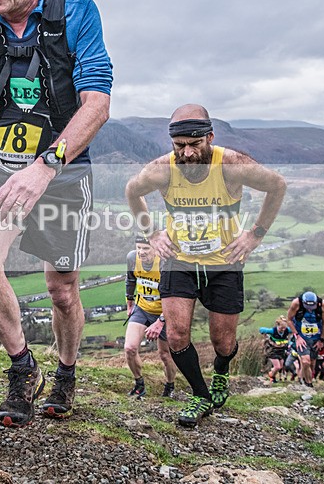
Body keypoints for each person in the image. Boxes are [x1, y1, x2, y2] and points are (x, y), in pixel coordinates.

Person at [0, 0, 112, 426]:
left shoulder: (77, 11)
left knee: (61, 291)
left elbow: (97, 103)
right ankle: (24, 368)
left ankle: (66, 372)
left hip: (62, 170)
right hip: (0, 164)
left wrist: (46, 166)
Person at [125, 104, 287, 426]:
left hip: (223, 264)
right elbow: (133, 191)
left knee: (223, 343)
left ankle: (222, 373)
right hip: (178, 261)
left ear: (210, 136)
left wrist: (255, 235)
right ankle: (200, 395)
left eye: (194, 144)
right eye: (179, 145)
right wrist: (153, 233)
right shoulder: (163, 168)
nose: (186, 153)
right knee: (177, 336)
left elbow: (277, 185)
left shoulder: (231, 164)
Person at [124, 235, 176, 398]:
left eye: (145, 248)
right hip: (142, 308)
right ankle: (139, 385)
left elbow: (174, 297)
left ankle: (169, 386)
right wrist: (129, 301)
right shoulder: (132, 258)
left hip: (164, 311)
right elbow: (130, 279)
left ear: (156, 248)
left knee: (165, 354)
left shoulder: (165, 263)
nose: (141, 252)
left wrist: (161, 320)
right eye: (139, 247)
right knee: (130, 348)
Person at [286, 291, 324, 388]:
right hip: (301, 337)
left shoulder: (323, 305)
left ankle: (306, 379)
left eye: (312, 307)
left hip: (316, 337)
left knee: (312, 363)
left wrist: (321, 340)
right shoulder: (296, 303)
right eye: (307, 307)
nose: (310, 309)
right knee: (305, 361)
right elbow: (289, 320)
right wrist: (297, 336)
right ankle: (309, 384)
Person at [259, 315, 291, 383]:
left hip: (281, 350)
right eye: (281, 328)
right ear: (278, 325)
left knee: (281, 366)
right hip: (273, 351)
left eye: (284, 328)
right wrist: (263, 332)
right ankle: (270, 375)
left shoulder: (287, 330)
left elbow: (295, 329)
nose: (283, 330)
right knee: (277, 367)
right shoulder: (272, 331)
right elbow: (261, 329)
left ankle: (272, 377)